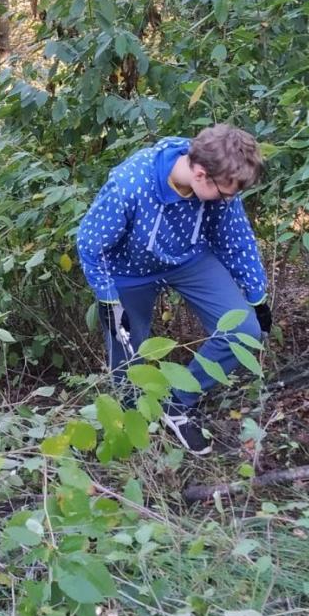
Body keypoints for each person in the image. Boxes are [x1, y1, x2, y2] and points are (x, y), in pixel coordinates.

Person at [76, 124, 272, 455]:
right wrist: (110, 302)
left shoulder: (218, 184)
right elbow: (91, 246)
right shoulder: (130, 185)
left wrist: (258, 298)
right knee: (127, 357)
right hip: (128, 270)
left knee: (245, 330)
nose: (231, 199)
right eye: (228, 193)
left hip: (189, 258)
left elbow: (236, 240)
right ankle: (132, 428)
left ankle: (176, 404)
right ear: (200, 174)